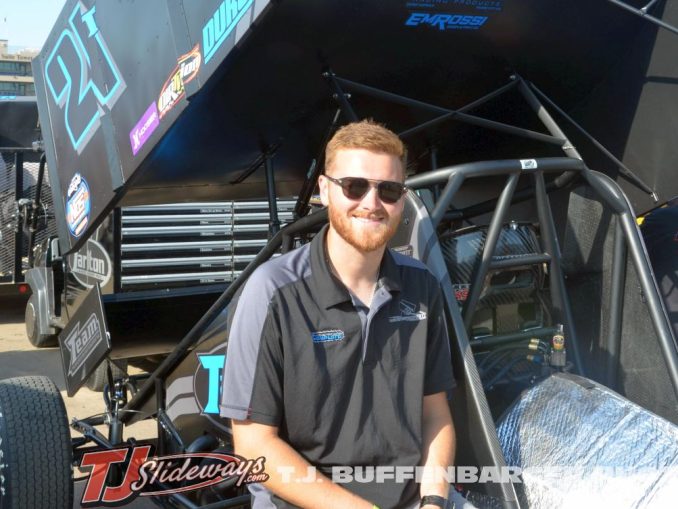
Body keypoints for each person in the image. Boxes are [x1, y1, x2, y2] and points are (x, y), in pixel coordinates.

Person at [220, 120, 460, 509]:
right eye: (355, 186)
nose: (372, 203)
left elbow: (436, 415)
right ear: (324, 189)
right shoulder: (272, 292)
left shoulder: (422, 287)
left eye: (389, 190)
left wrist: (434, 500)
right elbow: (253, 445)